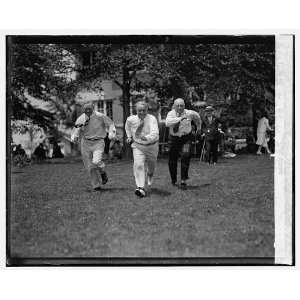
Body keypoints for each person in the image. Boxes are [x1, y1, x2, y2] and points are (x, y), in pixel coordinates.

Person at [71, 102, 116, 191]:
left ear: (93, 108)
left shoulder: (100, 116)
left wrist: (111, 133)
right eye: (85, 109)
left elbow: (111, 124)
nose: (88, 110)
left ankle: (103, 172)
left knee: (96, 161)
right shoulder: (81, 118)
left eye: (89, 109)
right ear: (83, 110)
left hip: (98, 142)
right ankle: (96, 186)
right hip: (85, 143)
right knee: (89, 166)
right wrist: (74, 136)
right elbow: (76, 128)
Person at [125, 101, 159, 197]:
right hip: (138, 146)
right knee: (138, 164)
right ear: (136, 110)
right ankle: (140, 188)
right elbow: (127, 127)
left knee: (151, 165)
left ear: (147, 110)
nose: (142, 112)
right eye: (140, 110)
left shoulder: (152, 119)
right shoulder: (130, 119)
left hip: (152, 146)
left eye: (144, 110)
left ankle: (150, 174)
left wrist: (146, 138)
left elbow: (155, 133)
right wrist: (129, 137)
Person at [165, 98, 201, 189]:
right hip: (174, 139)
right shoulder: (171, 114)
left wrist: (199, 127)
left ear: (184, 106)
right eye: (178, 105)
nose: (180, 107)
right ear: (174, 106)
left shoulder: (190, 113)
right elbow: (167, 123)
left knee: (186, 155)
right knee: (172, 160)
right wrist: (180, 118)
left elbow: (197, 117)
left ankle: (183, 179)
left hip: (186, 139)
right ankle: (173, 179)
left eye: (182, 105)